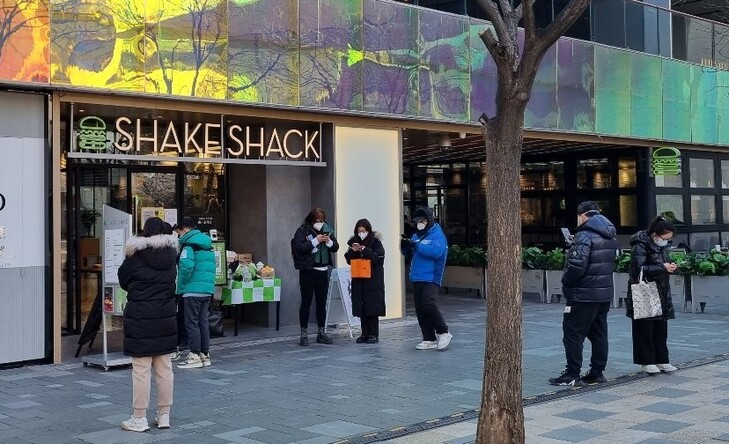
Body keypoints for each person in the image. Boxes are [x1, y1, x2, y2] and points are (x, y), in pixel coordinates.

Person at [117, 217, 178, 432]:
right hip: (165, 318)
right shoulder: (172, 256)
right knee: (165, 369)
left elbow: (123, 280)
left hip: (141, 318)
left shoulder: (135, 256)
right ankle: (164, 415)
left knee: (141, 370)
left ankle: (139, 418)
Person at [550, 201, 618, 386]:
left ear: (583, 215)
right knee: (599, 334)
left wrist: (566, 282)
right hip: (603, 294)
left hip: (582, 294)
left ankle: (572, 373)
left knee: (572, 333)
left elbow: (576, 266)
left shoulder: (585, 235)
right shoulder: (610, 235)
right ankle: (597, 371)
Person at [627, 216, 678, 374]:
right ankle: (647, 361)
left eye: (669, 239)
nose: (667, 241)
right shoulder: (640, 246)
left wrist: (670, 267)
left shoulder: (661, 246)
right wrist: (662, 267)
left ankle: (662, 359)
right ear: (655, 234)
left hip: (661, 290)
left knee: (660, 327)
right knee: (645, 328)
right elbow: (638, 269)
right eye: (665, 238)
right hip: (645, 291)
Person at [400, 205, 452, 351]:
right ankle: (428, 338)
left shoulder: (437, 235)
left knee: (428, 303)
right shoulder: (416, 235)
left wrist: (416, 246)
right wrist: (405, 247)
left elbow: (436, 252)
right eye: (417, 221)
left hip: (431, 277)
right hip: (417, 277)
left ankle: (443, 331)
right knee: (420, 308)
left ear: (428, 220)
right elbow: (410, 254)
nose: (419, 224)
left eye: (421, 221)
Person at [292, 207, 340, 346]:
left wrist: (328, 241)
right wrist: (316, 241)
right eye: (317, 220)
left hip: (323, 270)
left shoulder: (327, 230)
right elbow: (299, 247)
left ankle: (321, 332)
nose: (319, 222)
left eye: (322, 219)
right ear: (311, 219)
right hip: (308, 270)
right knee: (306, 302)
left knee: (321, 302)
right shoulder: (303, 230)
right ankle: (304, 333)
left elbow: (335, 247)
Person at [175, 217, 216, 369]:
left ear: (184, 229)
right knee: (203, 322)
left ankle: (194, 355)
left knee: (191, 323)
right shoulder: (207, 244)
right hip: (206, 290)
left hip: (192, 290)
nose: (179, 235)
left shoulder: (188, 245)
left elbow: (185, 267)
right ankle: (205, 355)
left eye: (179, 232)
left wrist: (183, 284)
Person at [344, 219, 386, 344]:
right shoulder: (353, 242)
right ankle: (364, 333)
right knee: (362, 306)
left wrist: (365, 250)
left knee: (372, 306)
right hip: (359, 278)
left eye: (363, 231)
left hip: (373, 279)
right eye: (359, 231)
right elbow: (347, 258)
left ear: (368, 230)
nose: (361, 233)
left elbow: (377, 259)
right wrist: (353, 250)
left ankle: (374, 334)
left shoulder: (376, 242)